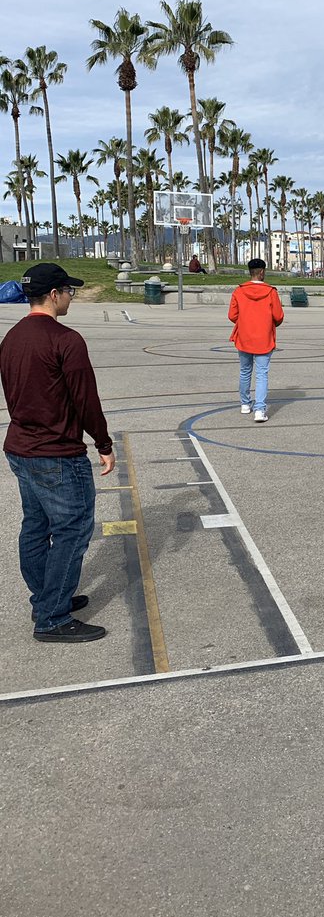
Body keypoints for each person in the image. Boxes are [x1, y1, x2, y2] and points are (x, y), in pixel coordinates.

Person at [0, 263, 115, 643]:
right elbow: (86, 400)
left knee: (35, 526)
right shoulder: (66, 340)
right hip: (56, 454)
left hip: (21, 448)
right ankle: (51, 616)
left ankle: (47, 597)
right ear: (54, 295)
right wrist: (103, 443)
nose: (71, 297)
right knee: (72, 529)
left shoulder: (12, 338)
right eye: (69, 291)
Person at [228, 258, 284, 423]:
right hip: (264, 338)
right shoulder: (271, 292)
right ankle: (259, 410)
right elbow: (278, 316)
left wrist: (244, 321)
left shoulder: (239, 291)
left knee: (245, 371)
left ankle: (245, 404)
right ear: (262, 272)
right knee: (261, 373)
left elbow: (232, 315)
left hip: (244, 337)